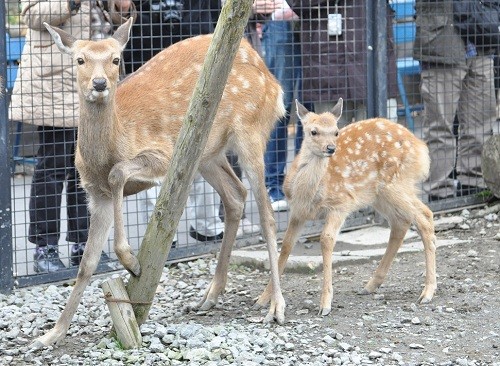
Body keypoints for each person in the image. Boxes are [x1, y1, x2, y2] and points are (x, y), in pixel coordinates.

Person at [9, 0, 135, 273]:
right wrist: (71, 3)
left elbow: (112, 23)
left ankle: (84, 245)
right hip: (54, 84)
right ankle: (45, 248)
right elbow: (31, 15)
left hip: (96, 85)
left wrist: (120, 8)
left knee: (89, 169)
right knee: (53, 166)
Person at [413, 0, 496, 201]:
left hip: (480, 42)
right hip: (441, 43)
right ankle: (439, 191)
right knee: (440, 125)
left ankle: (474, 184)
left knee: (481, 122)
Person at [288, 0, 398, 127]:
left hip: (372, 67)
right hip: (326, 70)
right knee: (332, 142)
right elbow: (296, 3)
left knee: (379, 140)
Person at [251, 0, 308, 212]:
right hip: (277, 23)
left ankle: (304, 182)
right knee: (280, 105)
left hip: (309, 19)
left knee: (307, 105)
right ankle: (273, 184)